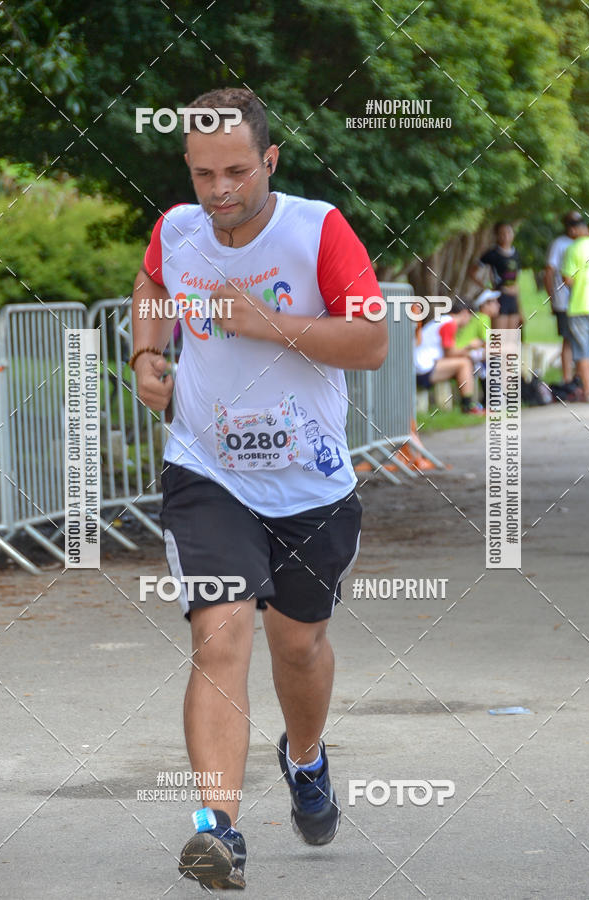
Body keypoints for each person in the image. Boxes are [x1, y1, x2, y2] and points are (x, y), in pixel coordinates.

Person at [130, 87, 388, 890]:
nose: (219, 190)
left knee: (299, 644)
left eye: (237, 170)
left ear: (269, 160)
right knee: (221, 631)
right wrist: (146, 354)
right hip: (208, 474)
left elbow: (373, 341)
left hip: (310, 484)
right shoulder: (175, 230)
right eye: (203, 172)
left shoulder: (316, 230)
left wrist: (265, 322)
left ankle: (305, 759)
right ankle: (218, 830)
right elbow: (149, 286)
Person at [414, 300, 484, 413]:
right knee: (464, 363)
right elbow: (450, 353)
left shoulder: (444, 321)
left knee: (464, 361)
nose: (468, 323)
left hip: (423, 366)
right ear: (465, 313)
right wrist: (470, 346)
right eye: (470, 319)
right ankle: (468, 406)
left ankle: (468, 404)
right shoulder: (449, 324)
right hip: (423, 369)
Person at [545, 212, 583, 384]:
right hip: (564, 300)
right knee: (568, 339)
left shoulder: (585, 243)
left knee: (584, 340)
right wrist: (551, 297)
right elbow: (550, 271)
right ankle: (568, 379)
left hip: (584, 301)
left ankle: (582, 377)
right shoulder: (559, 244)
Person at [562, 216, 589, 401]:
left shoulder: (572, 249)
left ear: (573, 230)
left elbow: (568, 280)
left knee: (583, 350)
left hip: (580, 305)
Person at [469, 222, 521, 329]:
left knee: (512, 339)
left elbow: (516, 279)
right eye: (502, 233)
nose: (506, 236)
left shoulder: (516, 254)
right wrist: (487, 287)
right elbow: (472, 272)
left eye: (508, 232)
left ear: (513, 234)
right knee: (499, 338)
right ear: (497, 235)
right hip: (500, 297)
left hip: (513, 298)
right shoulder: (492, 254)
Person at [455, 289, 501, 404]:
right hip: (464, 351)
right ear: (484, 305)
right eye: (494, 302)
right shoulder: (483, 318)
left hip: (463, 350)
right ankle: (491, 398)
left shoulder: (478, 317)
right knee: (493, 357)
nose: (498, 305)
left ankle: (489, 397)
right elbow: (487, 344)